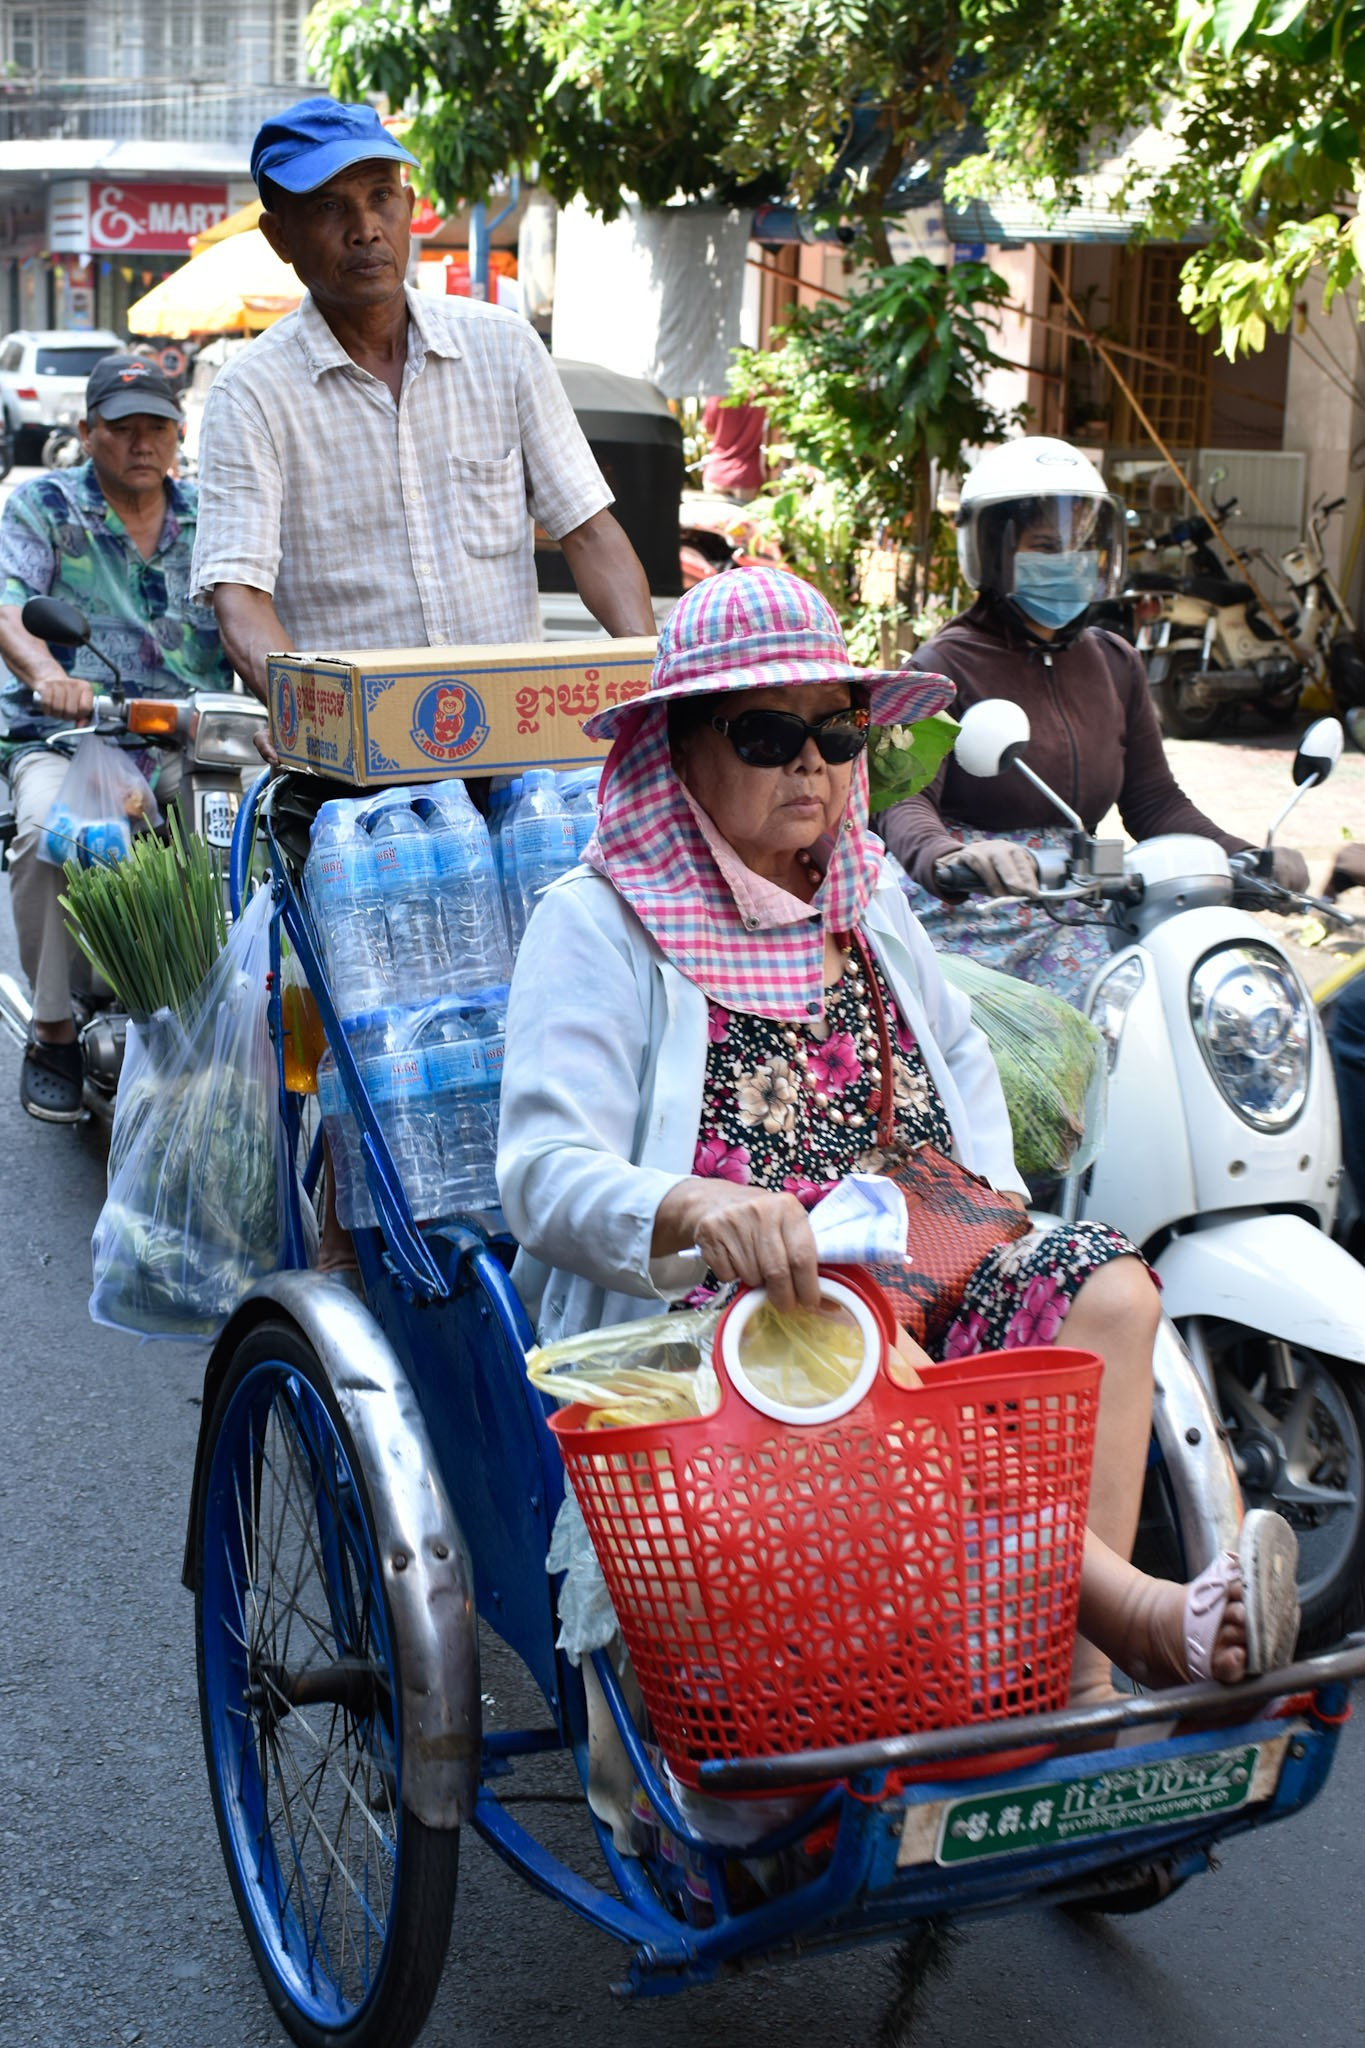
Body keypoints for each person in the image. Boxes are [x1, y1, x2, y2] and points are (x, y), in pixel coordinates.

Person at [498, 566, 1299, 1722]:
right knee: (865, 1359)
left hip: (924, 1258)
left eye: (835, 729)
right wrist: (694, 1209)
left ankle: (1069, 1684)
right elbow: (538, 1172)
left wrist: (1005, 1218)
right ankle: (1133, 1618)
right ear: (678, 746)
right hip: (730, 1310)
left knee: (1110, 1289)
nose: (811, 765)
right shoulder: (600, 923)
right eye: (769, 733)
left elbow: (962, 1065)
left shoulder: (864, 895)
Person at [190, 96, 655, 702]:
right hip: (353, 767)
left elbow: (589, 532)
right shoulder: (250, 395)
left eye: (380, 197)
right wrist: (303, 716)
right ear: (279, 237)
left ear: (409, 208)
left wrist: (650, 687)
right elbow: (241, 595)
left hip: (513, 745)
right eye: (330, 207)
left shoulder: (505, 348)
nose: (364, 230)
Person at [877, 437, 1311, 1007]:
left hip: (1082, 905)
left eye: (1083, 546)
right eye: (1047, 546)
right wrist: (947, 856)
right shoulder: (941, 666)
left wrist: (1244, 859)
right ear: (992, 549)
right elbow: (899, 801)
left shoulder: (1114, 662)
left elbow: (1155, 802)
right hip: (975, 910)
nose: (1071, 562)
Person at [0, 354, 230, 1121]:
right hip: (69, 735)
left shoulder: (213, 518)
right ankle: (56, 1032)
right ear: (86, 431)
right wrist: (47, 676)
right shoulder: (44, 507)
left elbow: (258, 612)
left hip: (188, 738)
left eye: (155, 427)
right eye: (122, 428)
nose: (141, 443)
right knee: (45, 835)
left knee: (268, 828)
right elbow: (11, 608)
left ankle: (239, 1004)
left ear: (178, 432)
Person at [700, 395, 767, 502]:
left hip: (717, 470)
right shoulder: (762, 395)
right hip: (747, 474)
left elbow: (708, 428)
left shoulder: (717, 395)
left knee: (713, 518)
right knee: (744, 518)